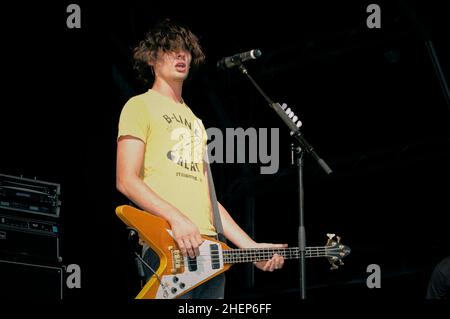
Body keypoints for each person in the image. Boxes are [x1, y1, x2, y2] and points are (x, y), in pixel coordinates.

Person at [116, 19, 286, 299]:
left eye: (186, 50)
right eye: (170, 49)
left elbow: (209, 200)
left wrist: (249, 246)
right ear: (151, 58)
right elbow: (126, 179)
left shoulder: (195, 122)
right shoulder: (139, 106)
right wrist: (177, 219)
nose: (181, 55)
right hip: (168, 244)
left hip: (210, 253)